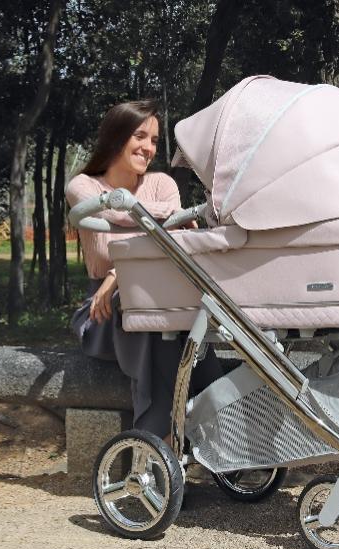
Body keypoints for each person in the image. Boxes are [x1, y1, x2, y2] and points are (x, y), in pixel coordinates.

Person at [65, 100, 222, 443]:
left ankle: (174, 445)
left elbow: (176, 243)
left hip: (163, 302)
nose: (149, 148)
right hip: (105, 312)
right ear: (116, 136)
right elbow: (121, 213)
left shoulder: (162, 183)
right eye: (140, 136)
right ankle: (164, 444)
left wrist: (118, 274)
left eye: (153, 140)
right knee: (154, 327)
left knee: (171, 327)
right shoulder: (84, 187)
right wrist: (174, 215)